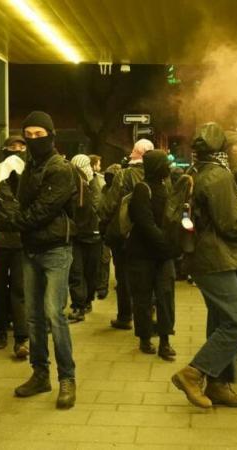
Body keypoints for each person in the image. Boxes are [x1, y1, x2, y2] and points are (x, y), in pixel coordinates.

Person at [171, 122, 237, 409]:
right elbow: (231, 225)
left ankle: (218, 384)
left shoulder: (197, 171)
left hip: (205, 258)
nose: (236, 151)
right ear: (221, 149)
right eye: (231, 146)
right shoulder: (218, 177)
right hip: (217, 259)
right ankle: (193, 373)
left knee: (220, 323)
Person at [7, 111, 78, 409]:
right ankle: (40, 374)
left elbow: (42, 209)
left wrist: (11, 220)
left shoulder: (60, 169)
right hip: (31, 249)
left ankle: (67, 378)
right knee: (33, 316)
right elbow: (23, 204)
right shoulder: (28, 167)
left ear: (51, 135)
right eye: (29, 135)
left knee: (53, 314)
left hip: (55, 250)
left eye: (40, 134)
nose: (35, 140)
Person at [99, 139, 155, 330]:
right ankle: (148, 314)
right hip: (148, 235)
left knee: (123, 277)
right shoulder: (157, 176)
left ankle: (125, 316)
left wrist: (104, 225)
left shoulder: (123, 175)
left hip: (124, 236)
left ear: (134, 153)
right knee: (147, 276)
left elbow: (108, 206)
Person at [127, 150, 177, 360]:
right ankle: (145, 337)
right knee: (143, 297)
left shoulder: (166, 187)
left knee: (166, 297)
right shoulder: (142, 188)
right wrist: (167, 245)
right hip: (142, 255)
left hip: (162, 256)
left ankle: (165, 340)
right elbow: (145, 223)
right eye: (164, 163)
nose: (168, 167)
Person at [0, 154, 30, 357]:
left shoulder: (28, 181)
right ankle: (2, 331)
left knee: (18, 291)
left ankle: (20, 337)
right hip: (0, 244)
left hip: (19, 244)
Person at [68, 154, 103, 322]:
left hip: (94, 234)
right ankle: (78, 305)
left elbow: (101, 206)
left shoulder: (97, 183)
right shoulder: (70, 184)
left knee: (91, 272)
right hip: (76, 235)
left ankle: (87, 299)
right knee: (76, 272)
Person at [96, 164, 122, 300]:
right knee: (105, 259)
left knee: (114, 259)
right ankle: (103, 287)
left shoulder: (113, 190)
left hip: (114, 229)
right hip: (108, 228)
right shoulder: (106, 189)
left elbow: (106, 207)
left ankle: (115, 283)